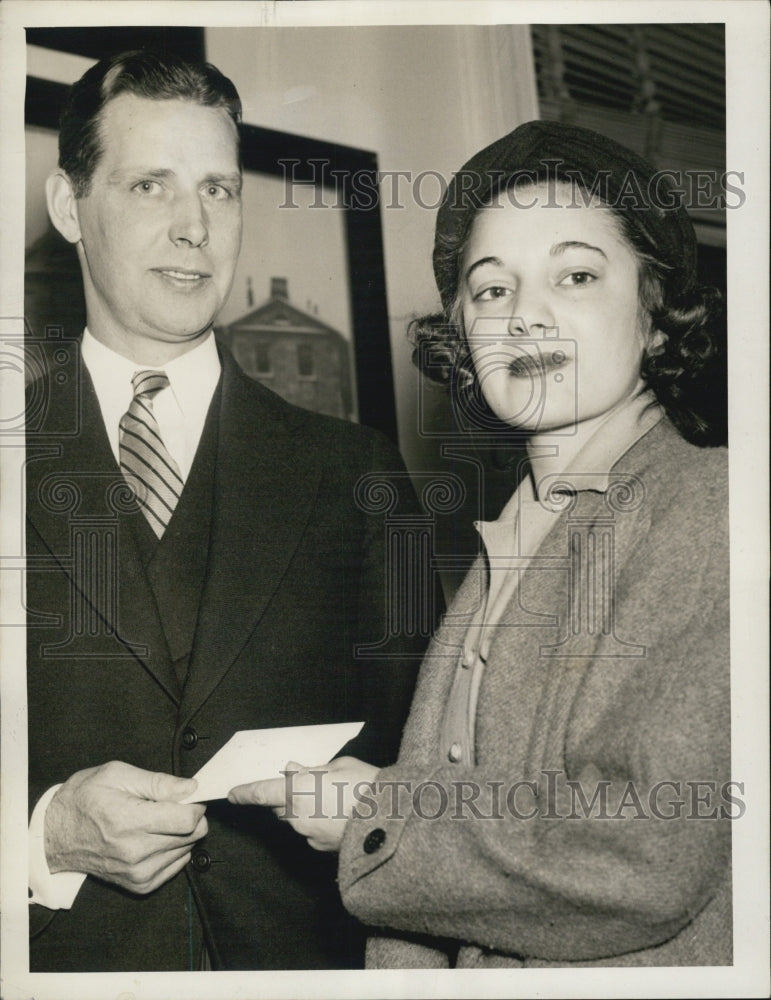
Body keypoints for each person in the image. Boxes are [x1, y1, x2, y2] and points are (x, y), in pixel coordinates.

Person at [230, 120, 732, 967]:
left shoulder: (711, 507)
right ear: (461, 332)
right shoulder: (515, 535)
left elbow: (643, 855)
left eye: (574, 275)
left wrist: (374, 813)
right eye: (491, 290)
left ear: (653, 313)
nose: (525, 317)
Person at [26, 49, 434, 972]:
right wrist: (43, 835)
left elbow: (433, 772)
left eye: (218, 188)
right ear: (68, 207)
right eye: (149, 186)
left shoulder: (360, 473)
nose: (193, 227)